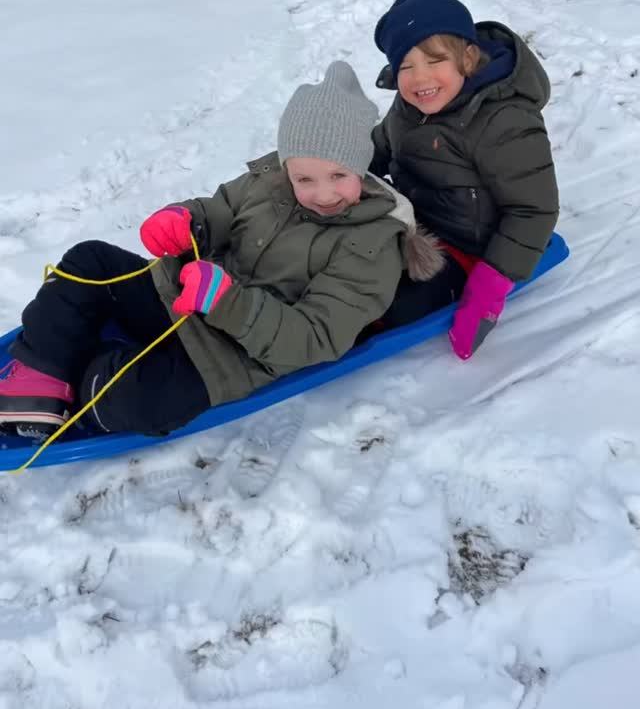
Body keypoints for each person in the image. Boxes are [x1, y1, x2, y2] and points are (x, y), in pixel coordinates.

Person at [0, 61, 442, 440]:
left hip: (232, 353)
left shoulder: (373, 244)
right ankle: (39, 381)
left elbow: (315, 339)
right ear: (287, 165)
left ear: (361, 169)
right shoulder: (269, 180)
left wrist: (228, 302)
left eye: (338, 177)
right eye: (304, 179)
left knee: (139, 399)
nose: (322, 193)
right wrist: (185, 220)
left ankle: (79, 370)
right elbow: (221, 210)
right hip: (183, 297)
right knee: (89, 261)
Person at [371, 0, 560, 359]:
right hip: (413, 220)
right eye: (406, 66)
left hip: (471, 247)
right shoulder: (410, 104)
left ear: (468, 57)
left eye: (435, 60)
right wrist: (328, 166)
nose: (420, 78)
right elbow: (378, 146)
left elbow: (534, 210)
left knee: (391, 304)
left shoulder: (503, 121)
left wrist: (488, 287)